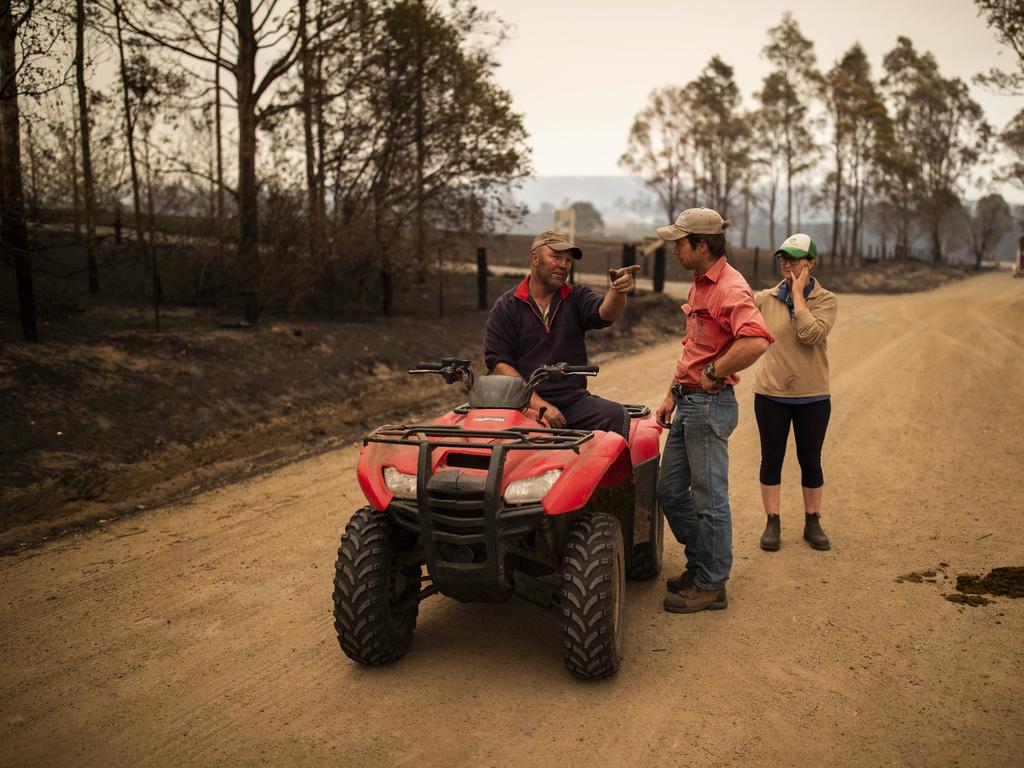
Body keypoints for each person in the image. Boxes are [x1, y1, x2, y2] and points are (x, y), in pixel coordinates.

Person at [654, 208, 773, 614]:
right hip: (688, 401)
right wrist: (673, 390)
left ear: (702, 245)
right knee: (669, 491)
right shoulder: (700, 285)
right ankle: (703, 563)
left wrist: (716, 371)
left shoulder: (730, 288)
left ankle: (711, 583)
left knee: (709, 500)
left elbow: (756, 340)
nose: (674, 250)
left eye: (680, 243)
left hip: (710, 405)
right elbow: (695, 346)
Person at [484, 231, 640, 439]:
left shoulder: (576, 297)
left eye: (568, 260)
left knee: (616, 416)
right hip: (520, 404)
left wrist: (618, 291)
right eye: (556, 257)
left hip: (572, 402)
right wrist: (538, 403)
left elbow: (604, 313)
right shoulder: (507, 306)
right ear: (534, 258)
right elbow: (498, 363)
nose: (563, 264)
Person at [752, 233, 838, 552]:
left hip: (813, 396)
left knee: (810, 460)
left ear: (811, 264)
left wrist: (799, 296)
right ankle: (772, 521)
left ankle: (812, 521)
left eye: (795, 259)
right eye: (783, 258)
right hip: (771, 394)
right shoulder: (766, 298)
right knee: (770, 459)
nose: (787, 264)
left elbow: (810, 335)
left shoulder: (826, 300)